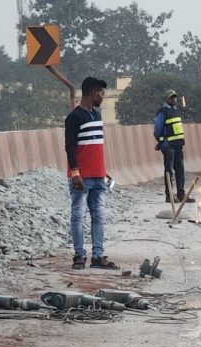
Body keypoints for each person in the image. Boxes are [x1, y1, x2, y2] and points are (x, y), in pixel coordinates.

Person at [64, 76, 118, 270]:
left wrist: (104, 173)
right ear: (94, 93)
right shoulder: (74, 117)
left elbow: (95, 147)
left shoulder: (97, 115)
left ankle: (97, 256)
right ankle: (79, 255)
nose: (103, 97)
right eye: (102, 94)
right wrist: (75, 173)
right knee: (78, 215)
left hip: (99, 177)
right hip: (82, 177)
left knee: (98, 216)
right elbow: (70, 148)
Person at [154, 89, 192, 203]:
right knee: (169, 171)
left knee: (180, 170)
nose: (173, 99)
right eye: (171, 97)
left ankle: (181, 195)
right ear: (166, 98)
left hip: (178, 145)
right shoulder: (162, 112)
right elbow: (157, 130)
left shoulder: (176, 111)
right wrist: (161, 142)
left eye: (174, 97)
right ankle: (169, 196)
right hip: (168, 146)